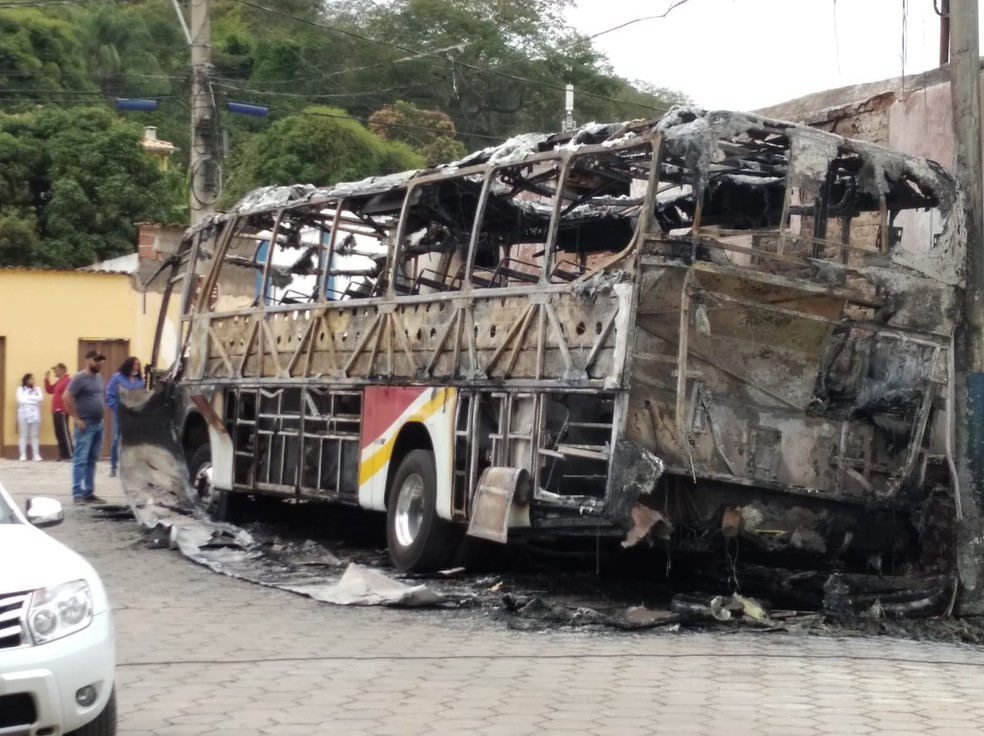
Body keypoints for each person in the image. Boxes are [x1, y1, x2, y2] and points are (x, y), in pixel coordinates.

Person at [63, 350, 107, 504]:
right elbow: (66, 397)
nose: (99, 363)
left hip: (99, 424)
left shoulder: (99, 378)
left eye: (101, 360)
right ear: (88, 360)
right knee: (80, 459)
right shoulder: (79, 378)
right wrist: (76, 418)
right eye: (96, 360)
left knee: (92, 459)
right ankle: (77, 493)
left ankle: (88, 492)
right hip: (85, 425)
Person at [105, 356, 144, 478]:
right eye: (134, 365)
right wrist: (118, 409)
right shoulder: (117, 378)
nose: (136, 367)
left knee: (134, 440)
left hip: (135, 414)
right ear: (128, 365)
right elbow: (110, 396)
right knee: (117, 439)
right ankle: (113, 466)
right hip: (121, 413)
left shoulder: (140, 381)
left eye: (138, 365)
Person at [44, 363, 73, 460]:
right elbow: (50, 390)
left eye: (56, 369)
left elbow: (70, 395)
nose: (54, 371)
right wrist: (46, 379)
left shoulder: (68, 381)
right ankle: (63, 454)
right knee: (58, 433)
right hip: (55, 411)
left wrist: (65, 409)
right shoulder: (58, 382)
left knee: (64, 433)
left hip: (62, 411)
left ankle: (69, 454)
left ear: (62, 370)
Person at [16, 373, 43, 461]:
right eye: (31, 379)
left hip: (35, 413)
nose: (33, 380)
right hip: (23, 413)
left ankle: (36, 454)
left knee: (34, 435)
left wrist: (28, 399)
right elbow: (21, 400)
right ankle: (23, 454)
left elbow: (40, 398)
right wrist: (33, 399)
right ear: (27, 380)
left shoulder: (37, 389)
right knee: (24, 434)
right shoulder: (20, 389)